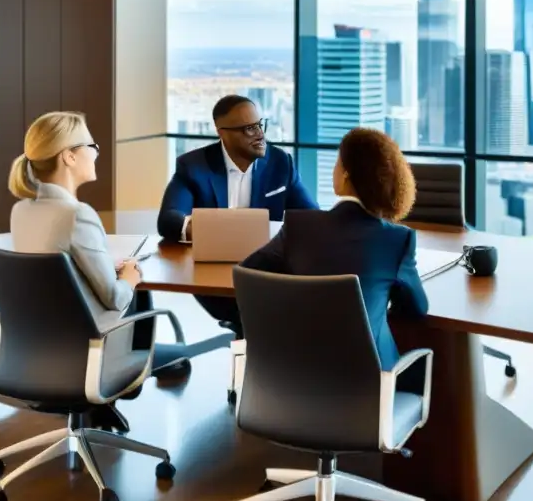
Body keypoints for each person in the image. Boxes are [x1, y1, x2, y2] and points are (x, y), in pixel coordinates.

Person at [8, 111, 185, 387]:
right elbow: (115, 298)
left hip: (39, 349)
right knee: (138, 290)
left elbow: (53, 276)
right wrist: (129, 275)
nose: (96, 153)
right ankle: (162, 362)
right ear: (69, 156)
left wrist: (101, 265)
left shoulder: (21, 211)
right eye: (92, 146)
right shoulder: (77, 214)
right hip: (91, 349)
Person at [238, 127, 428, 369]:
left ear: (346, 174)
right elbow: (417, 308)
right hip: (369, 390)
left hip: (295, 382)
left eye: (337, 163)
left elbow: (248, 273)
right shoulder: (398, 239)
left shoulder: (298, 227)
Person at [157, 94, 318, 336]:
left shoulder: (280, 164)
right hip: (211, 274)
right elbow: (168, 219)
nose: (260, 134)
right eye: (248, 129)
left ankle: (261, 358)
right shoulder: (194, 166)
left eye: (260, 125)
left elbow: (311, 218)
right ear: (222, 132)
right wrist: (218, 233)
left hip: (265, 273)